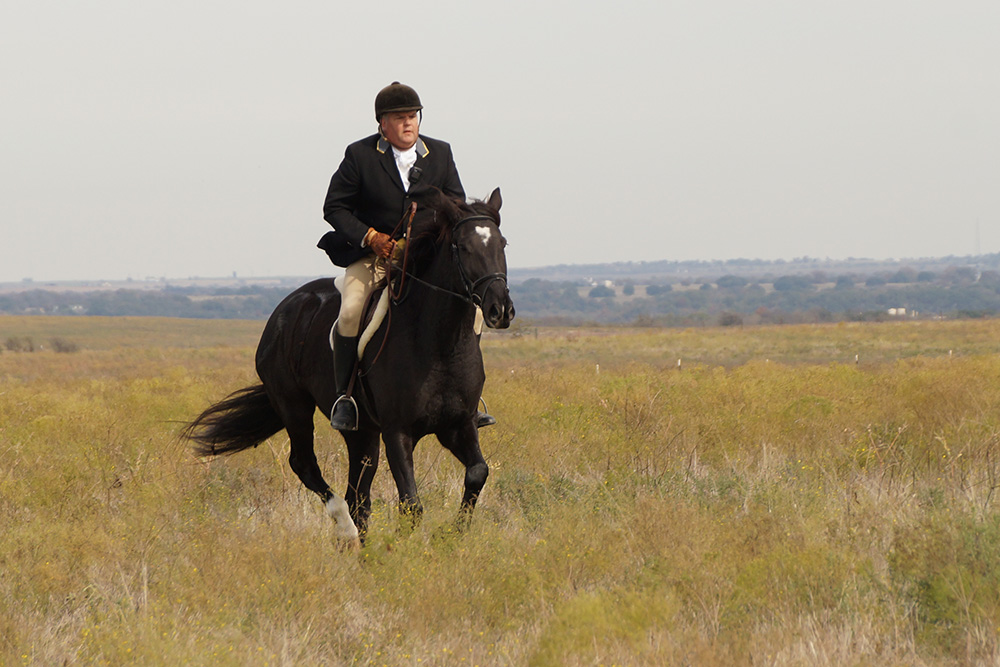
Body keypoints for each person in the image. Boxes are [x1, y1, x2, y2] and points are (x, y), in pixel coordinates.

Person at [319, 82, 495, 431]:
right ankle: (346, 397)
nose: (408, 123)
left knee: (473, 313)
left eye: (412, 116)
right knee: (351, 311)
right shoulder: (360, 155)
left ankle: (469, 401)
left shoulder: (440, 153)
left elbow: (456, 206)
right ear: (382, 123)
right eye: (400, 118)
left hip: (425, 260)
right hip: (374, 257)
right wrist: (371, 237)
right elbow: (334, 207)